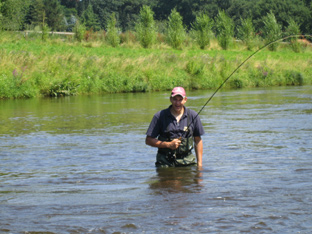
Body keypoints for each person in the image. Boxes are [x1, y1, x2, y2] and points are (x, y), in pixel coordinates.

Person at [146, 87, 205, 168]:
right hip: (164, 163)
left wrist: (200, 165)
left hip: (187, 162)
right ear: (170, 99)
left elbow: (198, 140)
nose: (177, 103)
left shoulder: (193, 116)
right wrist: (168, 145)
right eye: (175, 99)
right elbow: (148, 140)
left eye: (180, 99)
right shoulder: (159, 116)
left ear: (185, 100)